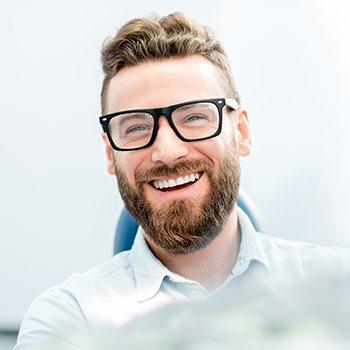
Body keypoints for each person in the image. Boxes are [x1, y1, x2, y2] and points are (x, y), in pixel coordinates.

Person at [14, 12, 349, 349]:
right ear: (109, 153)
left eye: (194, 117)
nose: (168, 151)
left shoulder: (339, 289)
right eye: (136, 127)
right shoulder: (69, 320)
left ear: (242, 132)